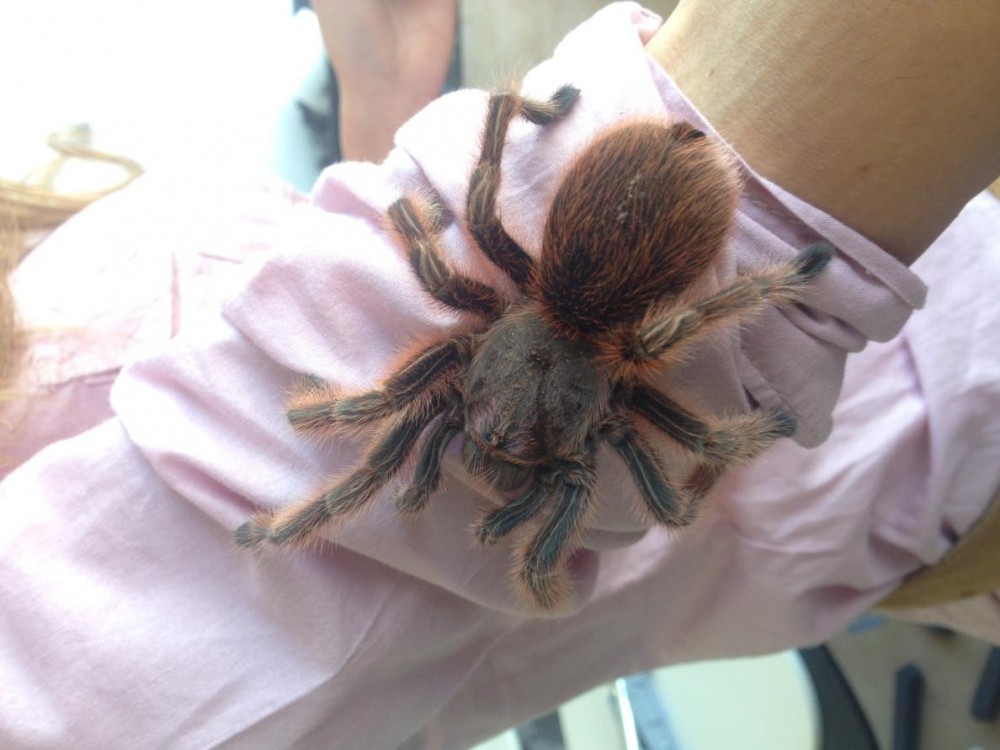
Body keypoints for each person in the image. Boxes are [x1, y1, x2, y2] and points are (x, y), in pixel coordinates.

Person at [2, 3, 1000, 748]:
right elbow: (422, 274)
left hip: (917, 340)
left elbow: (680, 451)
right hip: (930, 458)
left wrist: (388, 98)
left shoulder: (570, 366)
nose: (498, 446)